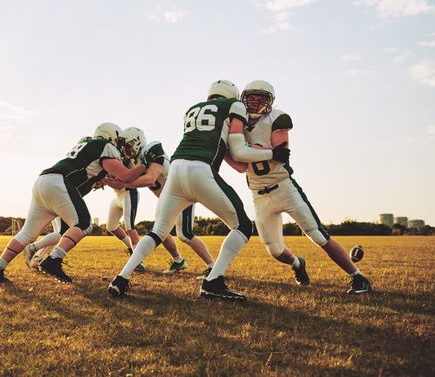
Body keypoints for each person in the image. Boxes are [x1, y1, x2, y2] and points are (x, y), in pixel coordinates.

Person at [108, 80, 290, 300]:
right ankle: (214, 280)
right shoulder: (234, 106)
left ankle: (121, 278)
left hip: (175, 170)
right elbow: (239, 151)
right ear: (232, 95)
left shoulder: (192, 110)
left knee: (158, 231)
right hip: (201, 169)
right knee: (242, 226)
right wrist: (272, 153)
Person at [233, 80, 371, 295]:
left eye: (261, 97)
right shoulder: (237, 125)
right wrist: (234, 151)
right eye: (251, 97)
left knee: (317, 235)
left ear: (269, 101)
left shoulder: (276, 117)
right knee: (275, 250)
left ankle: (358, 277)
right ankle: (298, 263)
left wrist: (247, 148)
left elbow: (279, 155)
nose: (255, 102)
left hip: (284, 187)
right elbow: (241, 165)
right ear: (243, 99)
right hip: (259, 195)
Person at [0, 123, 144, 284]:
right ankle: (54, 260)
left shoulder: (87, 144)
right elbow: (125, 176)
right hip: (59, 183)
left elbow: (98, 173)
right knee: (83, 224)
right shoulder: (105, 146)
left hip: (43, 181)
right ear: (112, 137)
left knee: (28, 233)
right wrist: (146, 165)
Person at [105, 127, 217, 276]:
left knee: (185, 234)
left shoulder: (152, 149)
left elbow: (150, 178)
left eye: (128, 145)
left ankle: (213, 267)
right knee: (159, 231)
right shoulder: (134, 161)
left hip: (183, 194)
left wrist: (125, 184)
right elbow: (125, 175)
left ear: (137, 141)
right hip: (168, 200)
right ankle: (178, 261)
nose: (126, 150)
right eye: (124, 146)